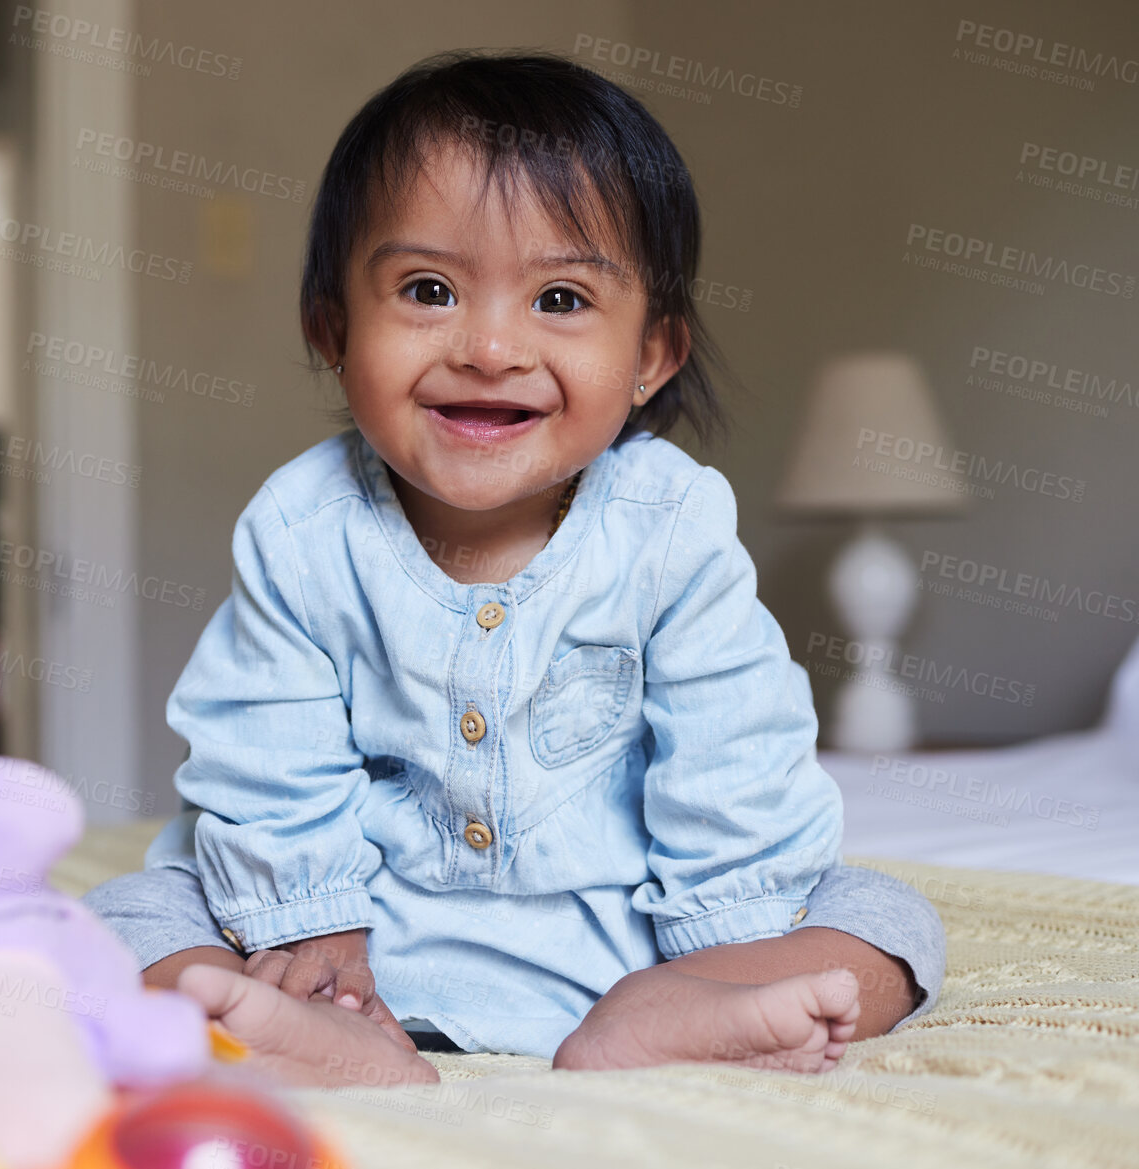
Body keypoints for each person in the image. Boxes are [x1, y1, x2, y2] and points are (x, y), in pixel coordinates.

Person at [82, 48, 944, 1088]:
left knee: (888, 919)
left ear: (651, 357)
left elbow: (735, 758)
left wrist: (728, 935)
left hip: (634, 931)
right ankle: (334, 1040)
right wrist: (311, 923)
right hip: (357, 947)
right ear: (332, 330)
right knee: (131, 910)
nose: (490, 347)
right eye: (430, 289)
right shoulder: (305, 529)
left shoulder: (671, 527)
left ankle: (679, 1012)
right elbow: (262, 749)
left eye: (562, 300)